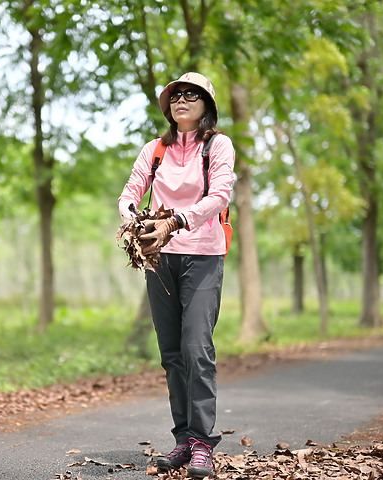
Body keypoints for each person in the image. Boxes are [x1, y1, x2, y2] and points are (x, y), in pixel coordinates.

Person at [117, 72, 235, 478]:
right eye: (175, 95)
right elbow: (131, 191)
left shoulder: (218, 146)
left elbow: (219, 195)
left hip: (203, 255)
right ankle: (184, 440)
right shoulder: (155, 150)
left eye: (191, 95)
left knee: (196, 348)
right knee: (171, 354)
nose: (181, 100)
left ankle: (204, 444)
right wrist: (135, 222)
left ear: (206, 105)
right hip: (160, 260)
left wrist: (177, 222)